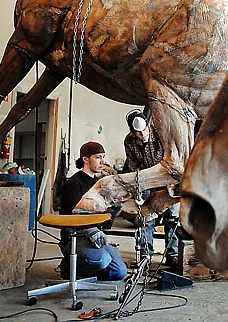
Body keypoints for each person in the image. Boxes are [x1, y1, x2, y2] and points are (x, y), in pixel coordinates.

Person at [59, 141, 127, 280]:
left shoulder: (99, 183)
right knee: (102, 260)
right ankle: (67, 267)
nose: (103, 161)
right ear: (85, 159)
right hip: (75, 238)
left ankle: (84, 271)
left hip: (95, 237)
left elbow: (101, 217)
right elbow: (67, 217)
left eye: (103, 157)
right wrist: (89, 229)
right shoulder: (73, 183)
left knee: (119, 272)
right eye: (98, 157)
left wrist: (113, 211)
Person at [123, 108, 179, 269]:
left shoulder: (162, 135)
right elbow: (133, 165)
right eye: (137, 133)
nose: (142, 135)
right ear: (132, 132)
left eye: (144, 130)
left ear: (148, 125)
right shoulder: (130, 141)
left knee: (172, 218)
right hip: (147, 180)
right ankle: (145, 255)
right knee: (146, 218)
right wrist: (137, 189)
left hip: (168, 178)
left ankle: (172, 254)